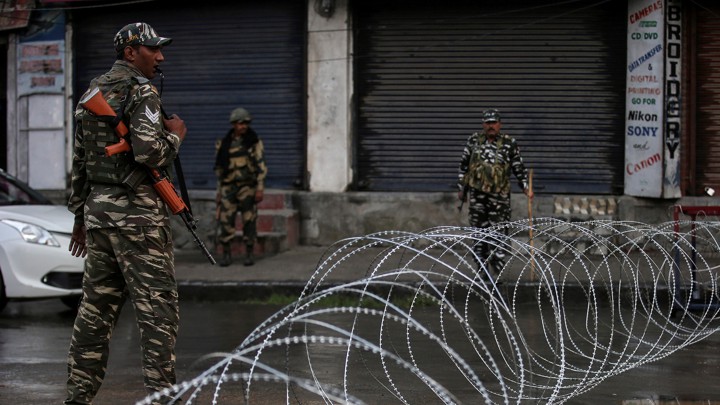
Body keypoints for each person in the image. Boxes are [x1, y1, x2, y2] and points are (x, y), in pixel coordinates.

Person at [65, 22, 187, 405]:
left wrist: (80, 220)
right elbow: (150, 153)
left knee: (95, 312)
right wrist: (177, 134)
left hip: (100, 216)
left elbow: (81, 164)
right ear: (131, 52)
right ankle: (164, 399)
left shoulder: (93, 91)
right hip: (137, 219)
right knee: (157, 312)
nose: (161, 56)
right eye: (153, 49)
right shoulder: (141, 90)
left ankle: (77, 397)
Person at [457, 108, 533, 281]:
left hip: (499, 199)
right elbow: (464, 166)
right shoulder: (473, 141)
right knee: (479, 234)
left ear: (500, 124)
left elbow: (518, 167)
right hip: (477, 198)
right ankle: (481, 271)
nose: (491, 126)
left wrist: (526, 187)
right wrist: (461, 189)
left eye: (494, 122)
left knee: (498, 234)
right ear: (483, 124)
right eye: (487, 122)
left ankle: (497, 272)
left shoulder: (509, 143)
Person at [214, 107, 267, 267]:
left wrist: (260, 188)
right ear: (233, 124)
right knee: (226, 222)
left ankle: (249, 253)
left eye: (245, 123)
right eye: (239, 123)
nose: (243, 126)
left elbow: (261, 166)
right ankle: (227, 254)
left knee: (249, 221)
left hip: (247, 187)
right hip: (228, 188)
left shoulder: (253, 142)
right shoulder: (224, 144)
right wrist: (218, 192)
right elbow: (219, 169)